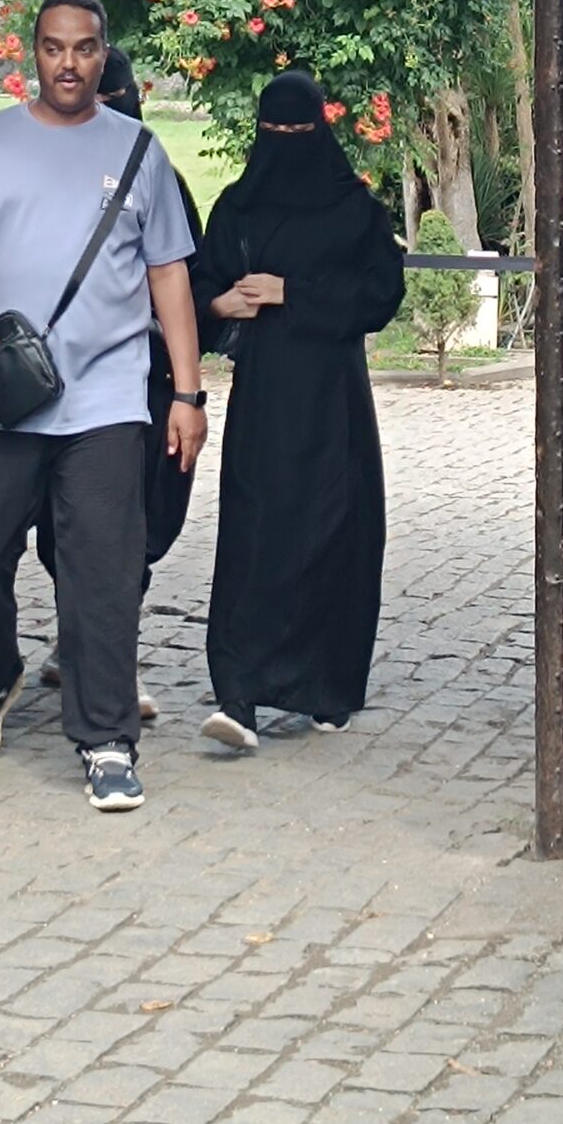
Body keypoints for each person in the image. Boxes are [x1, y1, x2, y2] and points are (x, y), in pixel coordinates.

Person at [0, 0, 206, 812]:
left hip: (107, 398)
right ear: (32, 54)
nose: (68, 63)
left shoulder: (139, 152)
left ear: (102, 54)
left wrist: (187, 392)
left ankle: (107, 737)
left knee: (102, 571)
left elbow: (169, 276)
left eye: (83, 48)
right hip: (2, 398)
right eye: (53, 48)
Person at [195, 70, 404, 751]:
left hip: (333, 402)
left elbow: (380, 295)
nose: (284, 142)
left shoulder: (354, 210)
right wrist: (221, 303)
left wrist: (294, 293)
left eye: (297, 130)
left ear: (320, 129)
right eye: (274, 131)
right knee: (254, 532)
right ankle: (240, 691)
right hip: (262, 399)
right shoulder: (238, 207)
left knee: (335, 531)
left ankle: (326, 685)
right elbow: (199, 282)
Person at [33, 48, 204, 715]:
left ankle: (97, 656)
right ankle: (86, 650)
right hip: (60, 381)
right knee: (65, 522)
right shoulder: (40, 175)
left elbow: (188, 280)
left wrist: (187, 387)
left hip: (145, 383)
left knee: (130, 527)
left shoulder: (157, 179)